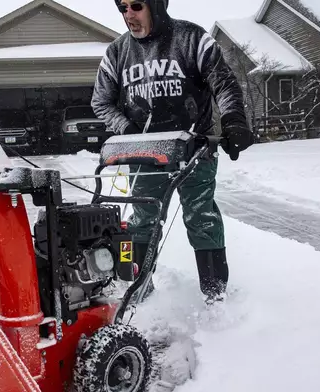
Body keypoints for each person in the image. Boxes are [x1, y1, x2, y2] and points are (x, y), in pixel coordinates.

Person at [91, 0, 254, 302]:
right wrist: (127, 131)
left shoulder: (192, 39)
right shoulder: (117, 52)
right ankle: (141, 295)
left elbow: (224, 83)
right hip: (145, 154)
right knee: (142, 222)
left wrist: (233, 121)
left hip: (194, 148)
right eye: (123, 7)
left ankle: (215, 295)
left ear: (155, 4)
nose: (129, 15)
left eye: (136, 6)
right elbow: (101, 102)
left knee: (201, 218)